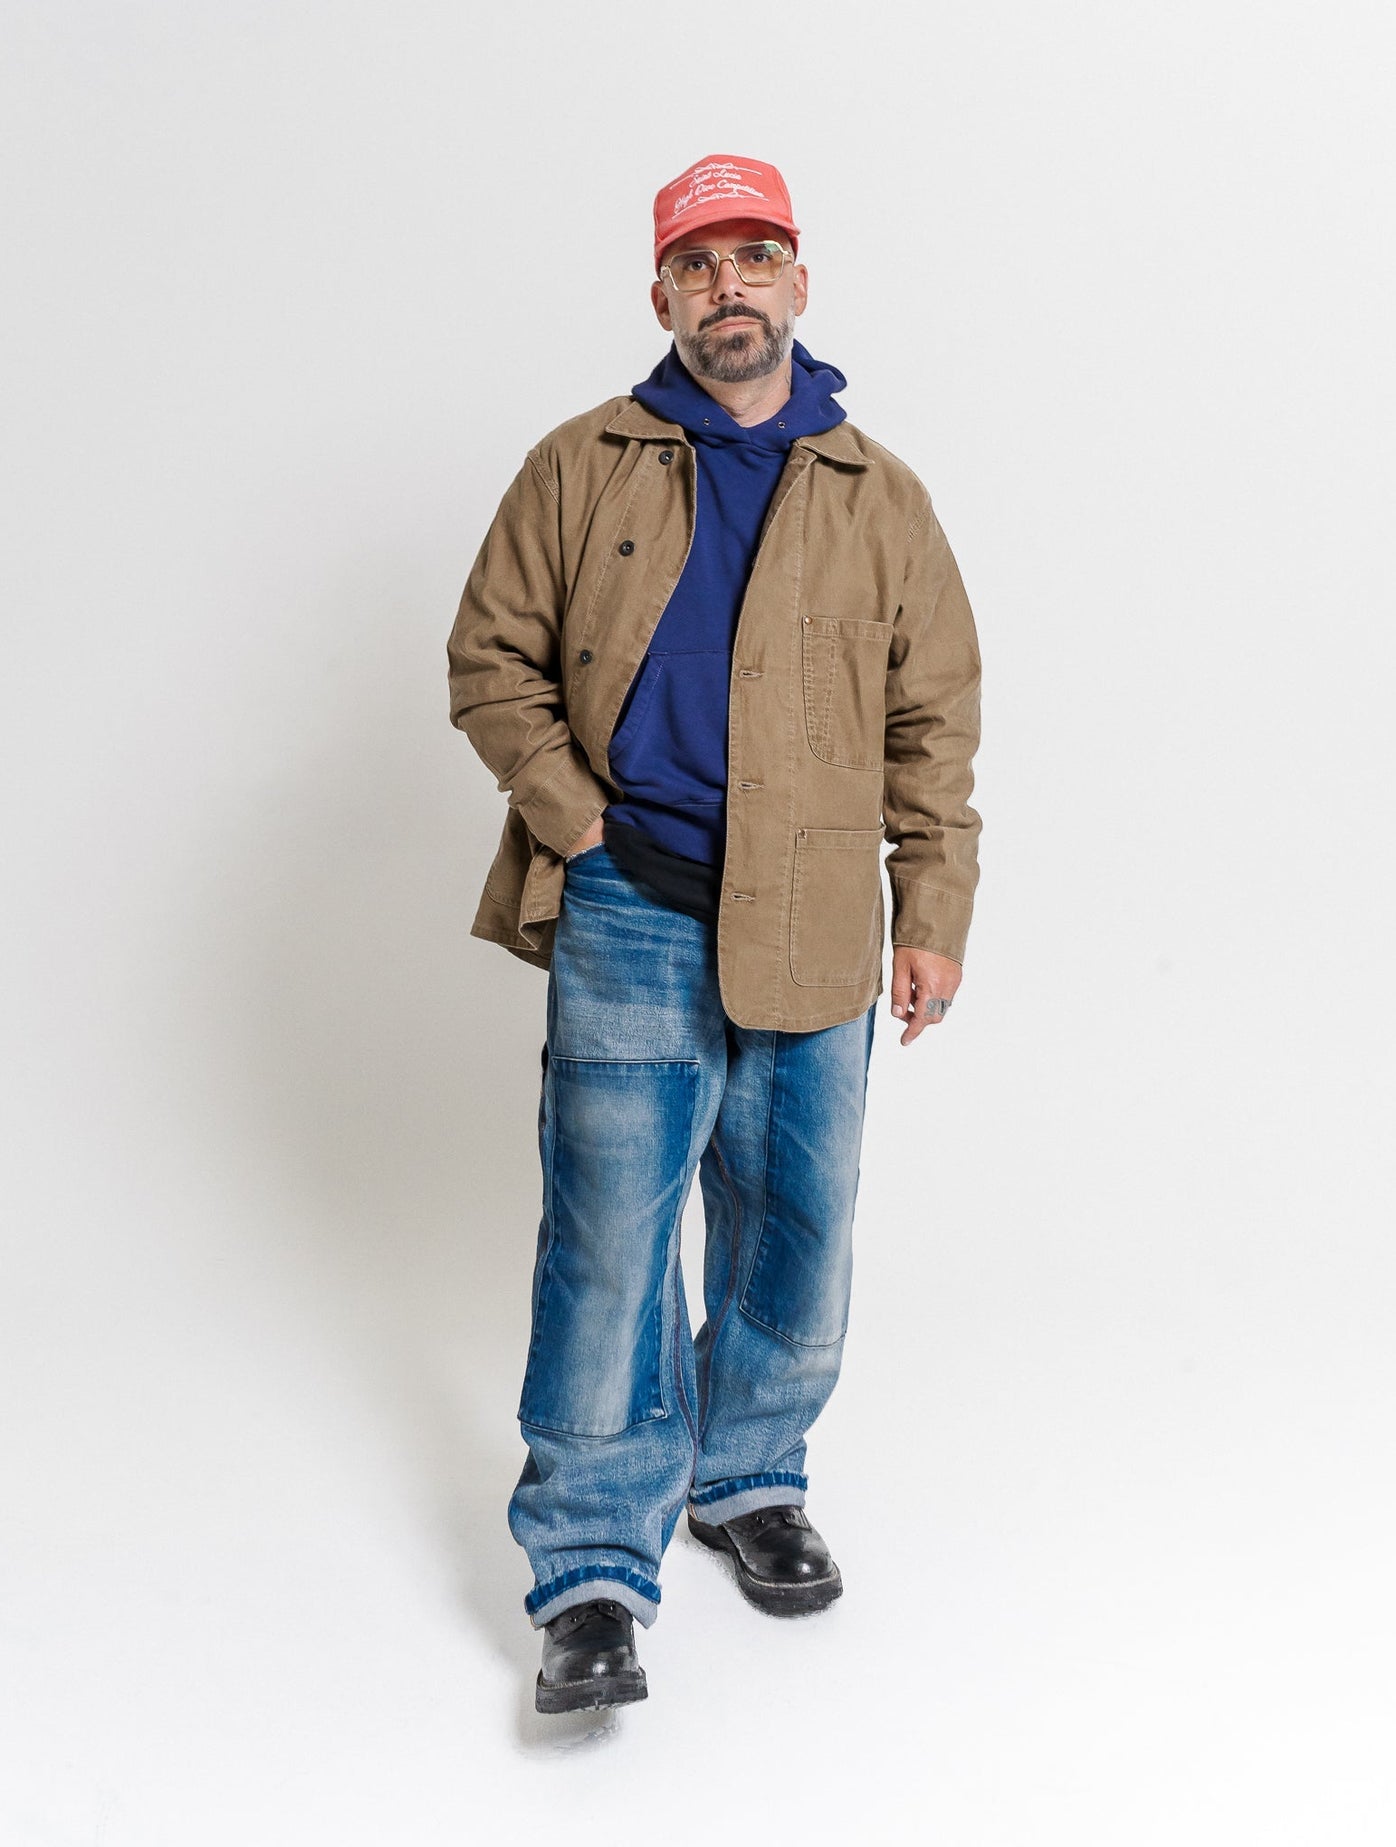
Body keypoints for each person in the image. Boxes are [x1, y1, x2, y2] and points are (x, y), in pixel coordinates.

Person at [445, 153, 982, 1714]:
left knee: (795, 1227)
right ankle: (593, 1568)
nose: (729, 286)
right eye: (700, 262)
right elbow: (490, 662)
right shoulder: (580, 463)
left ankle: (749, 1477)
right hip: (631, 906)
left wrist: (931, 907)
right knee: (611, 1242)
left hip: (820, 917)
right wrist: (579, 819)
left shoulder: (882, 496)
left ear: (800, 282)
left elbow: (932, 728)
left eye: (758, 257)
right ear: (663, 295)